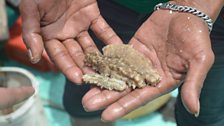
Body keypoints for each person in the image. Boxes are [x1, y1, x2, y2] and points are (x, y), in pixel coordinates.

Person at [19, 0, 224, 126]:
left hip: (212, 15)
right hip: (98, 7)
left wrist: (200, 3)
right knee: (82, 101)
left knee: (206, 115)